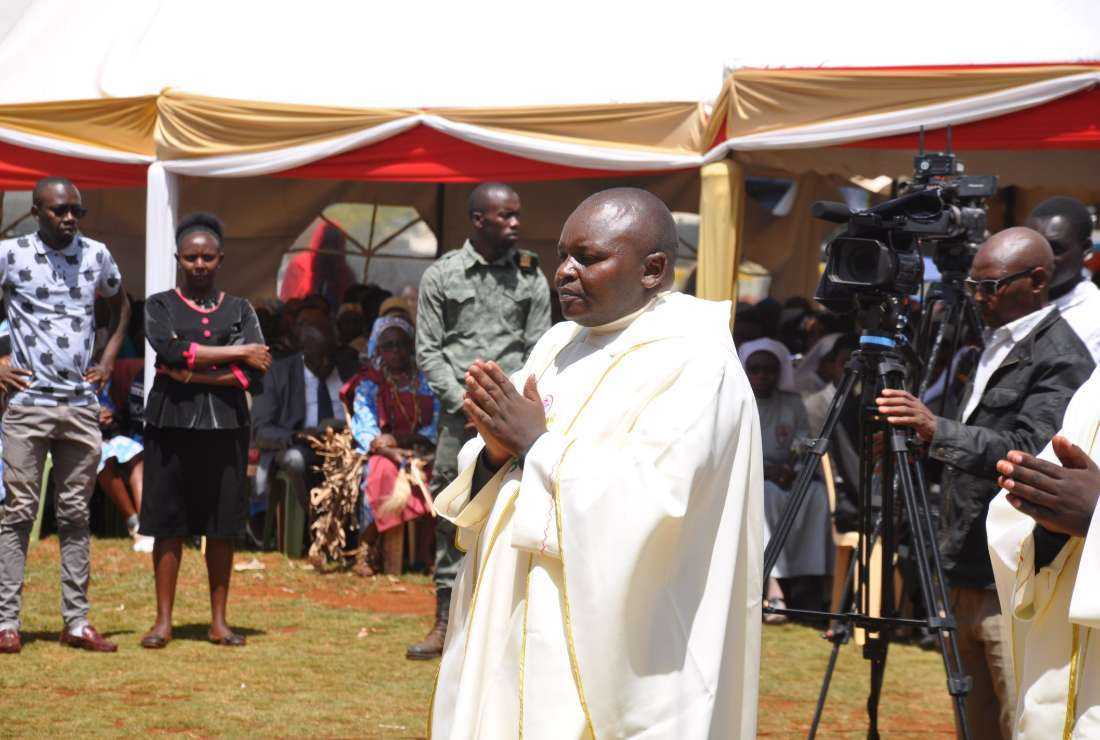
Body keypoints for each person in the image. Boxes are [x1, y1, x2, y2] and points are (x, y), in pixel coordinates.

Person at [429, 188, 763, 738]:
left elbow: (660, 501)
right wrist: (494, 450)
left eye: (588, 258)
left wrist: (537, 446)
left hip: (609, 633)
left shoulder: (696, 361)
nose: (563, 272)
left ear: (653, 268)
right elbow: (511, 452)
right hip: (512, 604)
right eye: (563, 254)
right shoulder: (561, 342)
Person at [876, 226, 1095, 739]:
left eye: (990, 286)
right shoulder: (988, 344)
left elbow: (1028, 455)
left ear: (1037, 280)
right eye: (973, 285)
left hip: (1011, 574)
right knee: (972, 720)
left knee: (1020, 715)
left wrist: (938, 430)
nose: (977, 298)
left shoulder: (1063, 359)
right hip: (963, 562)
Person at [411, 182, 551, 660]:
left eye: (517, 214)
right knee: (457, 511)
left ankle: (502, 625)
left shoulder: (531, 276)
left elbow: (539, 347)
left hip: (517, 421)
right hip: (459, 421)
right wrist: (467, 407)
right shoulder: (443, 275)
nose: (516, 223)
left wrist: (503, 409)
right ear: (478, 220)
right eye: (505, 216)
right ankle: (445, 622)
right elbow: (429, 350)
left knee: (515, 508)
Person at [0, 176, 130, 655]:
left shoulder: (96, 255)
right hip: (28, 404)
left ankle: (76, 622)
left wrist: (110, 360)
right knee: (17, 514)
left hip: (79, 405)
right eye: (59, 210)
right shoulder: (10, 254)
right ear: (36, 211)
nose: (70, 218)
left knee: (75, 515)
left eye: (76, 210)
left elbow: (122, 305)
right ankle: (6, 622)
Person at [138, 212, 271, 649]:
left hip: (226, 427)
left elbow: (255, 376)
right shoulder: (159, 305)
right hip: (169, 425)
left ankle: (219, 622)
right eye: (191, 257)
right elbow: (171, 351)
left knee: (221, 526)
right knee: (167, 523)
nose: (199, 264)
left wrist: (196, 375)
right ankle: (163, 622)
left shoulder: (241, 309)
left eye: (207, 257)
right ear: (178, 258)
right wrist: (237, 352)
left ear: (220, 260)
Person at [989, 368, 1100, 738]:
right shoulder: (1095, 385)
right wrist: (1047, 527)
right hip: (1055, 676)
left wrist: (1095, 515)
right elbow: (1012, 527)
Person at [740, 338, 832, 622]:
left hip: (786, 475)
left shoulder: (792, 403)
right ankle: (774, 587)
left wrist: (791, 467)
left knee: (817, 495)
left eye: (769, 369)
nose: (762, 376)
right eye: (755, 369)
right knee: (765, 495)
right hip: (751, 480)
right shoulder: (739, 401)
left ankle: (811, 584)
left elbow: (802, 439)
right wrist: (767, 472)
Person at [348, 316, 439, 575]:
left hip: (423, 449)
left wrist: (405, 443)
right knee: (381, 472)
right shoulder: (370, 384)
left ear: (412, 347)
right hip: (384, 454)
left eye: (401, 344)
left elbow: (435, 424)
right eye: (388, 346)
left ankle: (427, 552)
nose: (396, 351)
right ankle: (367, 548)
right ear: (378, 350)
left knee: (439, 474)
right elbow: (367, 430)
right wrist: (390, 450)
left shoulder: (427, 381)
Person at [252, 310, 356, 525]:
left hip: (345, 445)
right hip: (300, 445)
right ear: (305, 351)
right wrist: (297, 435)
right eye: (321, 356)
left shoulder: (348, 371)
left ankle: (352, 530)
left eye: (331, 354)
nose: (327, 362)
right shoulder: (279, 373)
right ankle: (314, 524)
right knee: (295, 459)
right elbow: (260, 430)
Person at [1026, 196, 1100, 364]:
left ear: (1086, 249)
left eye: (1055, 248)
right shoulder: (1006, 305)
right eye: (1033, 246)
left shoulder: (1095, 318)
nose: (1041, 258)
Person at [95, 380, 150, 553]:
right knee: (105, 458)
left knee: (135, 454)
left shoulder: (101, 377)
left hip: (113, 434)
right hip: (87, 438)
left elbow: (121, 411)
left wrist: (111, 415)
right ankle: (133, 522)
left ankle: (146, 526)